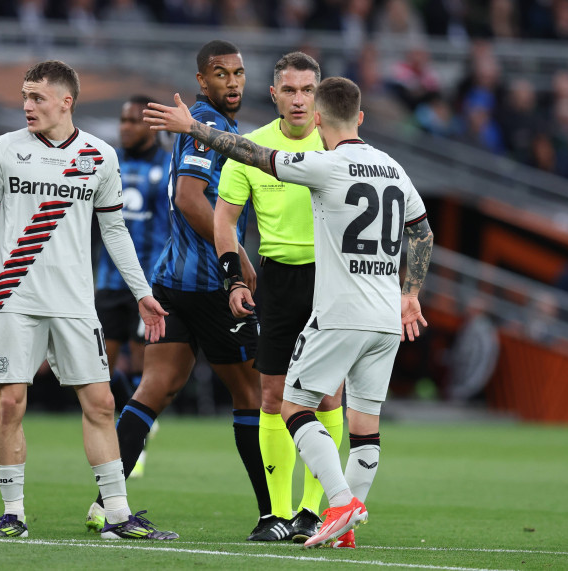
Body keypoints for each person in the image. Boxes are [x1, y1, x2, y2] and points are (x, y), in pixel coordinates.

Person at [144, 75, 433, 548]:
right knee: (365, 426)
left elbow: (252, 153)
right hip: (386, 318)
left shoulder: (326, 164)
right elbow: (422, 233)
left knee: (293, 406)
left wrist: (194, 130)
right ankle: (345, 532)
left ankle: (340, 502)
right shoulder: (393, 168)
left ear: (318, 118)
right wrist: (411, 293)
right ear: (360, 117)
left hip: (340, 312)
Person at [0, 60, 177, 541]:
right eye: (24, 96)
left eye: (37, 98)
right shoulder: (4, 148)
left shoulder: (99, 155)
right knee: (11, 403)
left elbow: (114, 230)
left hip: (76, 302)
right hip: (14, 297)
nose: (26, 106)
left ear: (66, 101)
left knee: (100, 404)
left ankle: (117, 516)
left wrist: (143, 293)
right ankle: (12, 513)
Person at [84, 40, 271, 539]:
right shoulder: (206, 129)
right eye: (220, 73)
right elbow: (190, 198)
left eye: (238, 73)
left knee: (154, 389)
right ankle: (270, 515)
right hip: (211, 284)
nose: (232, 81)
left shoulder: (214, 127)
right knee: (251, 394)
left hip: (172, 280)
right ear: (200, 82)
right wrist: (236, 254)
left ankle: (108, 505)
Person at [214, 51, 344, 544]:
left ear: (319, 94)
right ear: (273, 94)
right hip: (276, 279)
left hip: (331, 279)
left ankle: (314, 511)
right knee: (272, 396)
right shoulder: (251, 148)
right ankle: (277, 514)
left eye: (307, 90)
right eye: (288, 90)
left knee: (327, 394)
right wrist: (235, 279)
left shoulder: (338, 147)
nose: (297, 99)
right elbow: (224, 220)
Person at [91, 95, 171, 482]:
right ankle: (124, 425)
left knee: (143, 364)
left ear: (150, 126)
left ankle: (132, 451)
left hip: (149, 282)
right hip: (108, 278)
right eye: (122, 120)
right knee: (98, 365)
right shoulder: (108, 162)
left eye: (133, 121)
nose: (125, 127)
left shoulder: (169, 166)